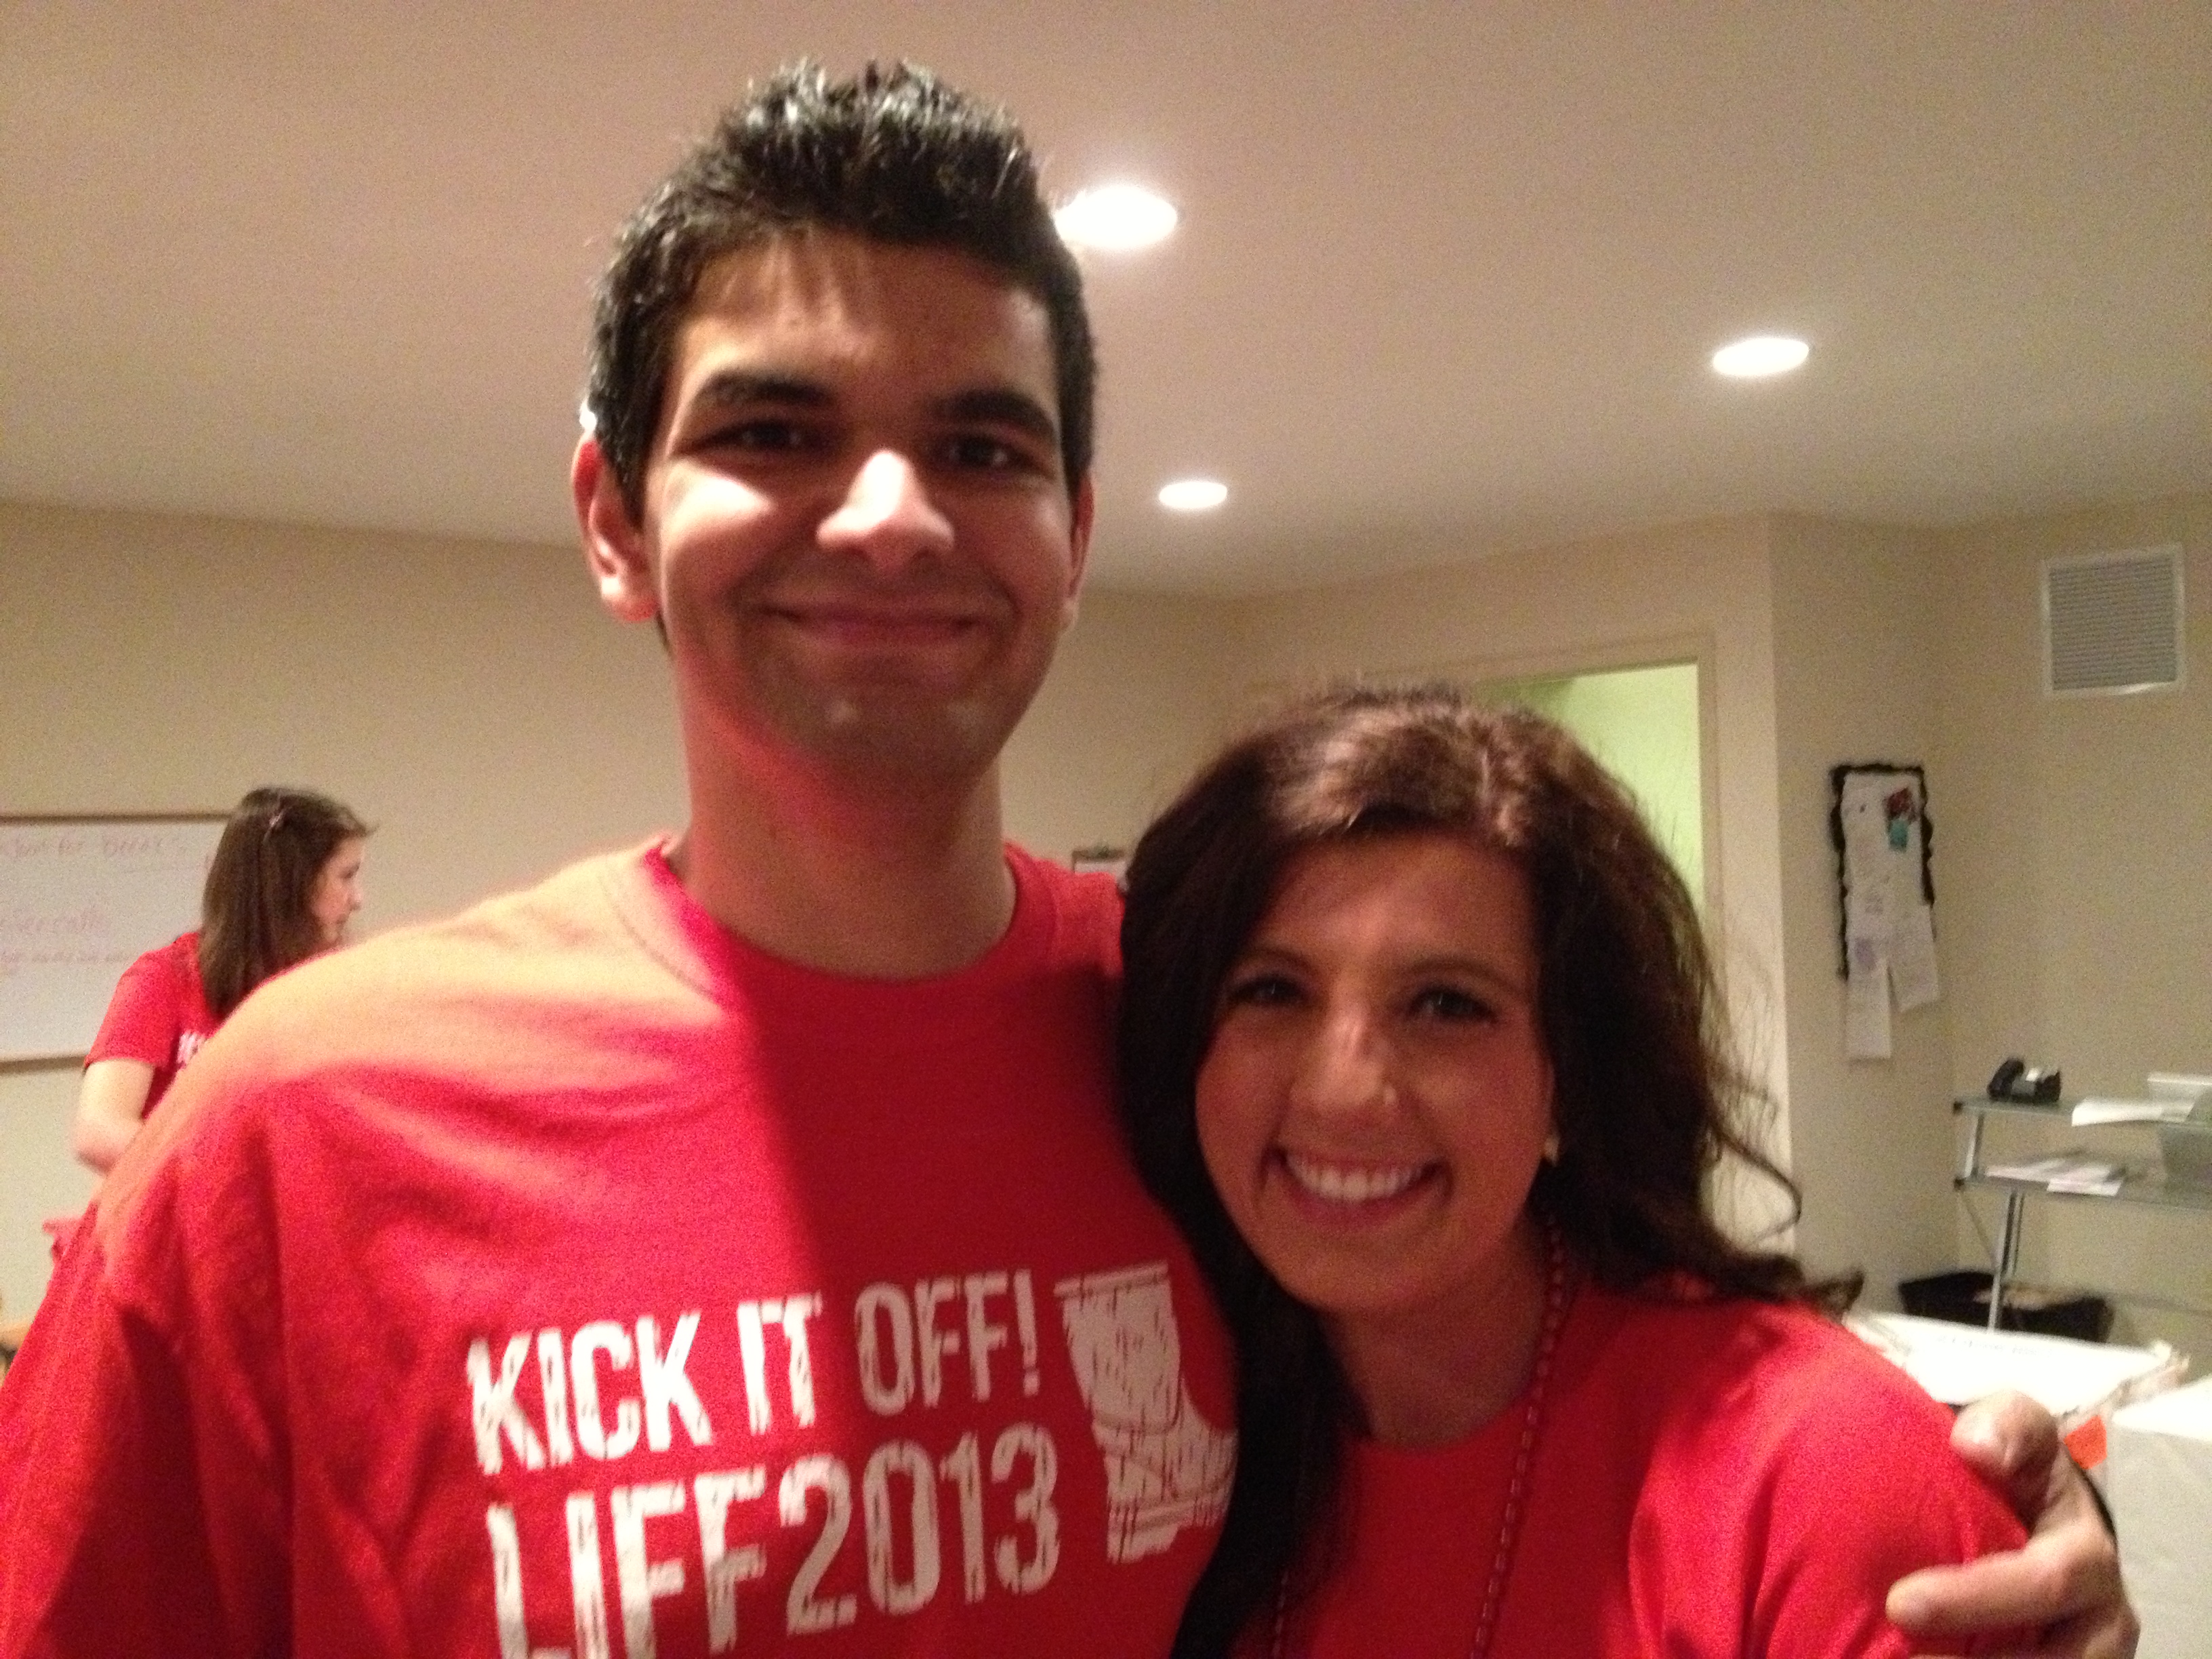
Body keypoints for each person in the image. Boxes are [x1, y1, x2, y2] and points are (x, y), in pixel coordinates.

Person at [0, 62, 2129, 1659]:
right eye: (772, 430)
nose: (893, 514)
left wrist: (1934, 1508)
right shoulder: (302, 1134)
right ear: (609, 515)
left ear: (1074, 532)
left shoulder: (1209, 1047)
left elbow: (1586, 1373)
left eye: (983, 444)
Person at [1115, 682, 2121, 1658]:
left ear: (1570, 1075)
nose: (1341, 1091)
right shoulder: (1166, 1436)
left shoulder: (1809, 1473)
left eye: (1446, 1006)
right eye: (1271, 990)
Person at [69, 785, 369, 1177]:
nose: (358, 898)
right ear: (291, 884)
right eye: (345, 877)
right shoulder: (162, 979)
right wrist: (234, 1179)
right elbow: (99, 1133)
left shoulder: (331, 983)